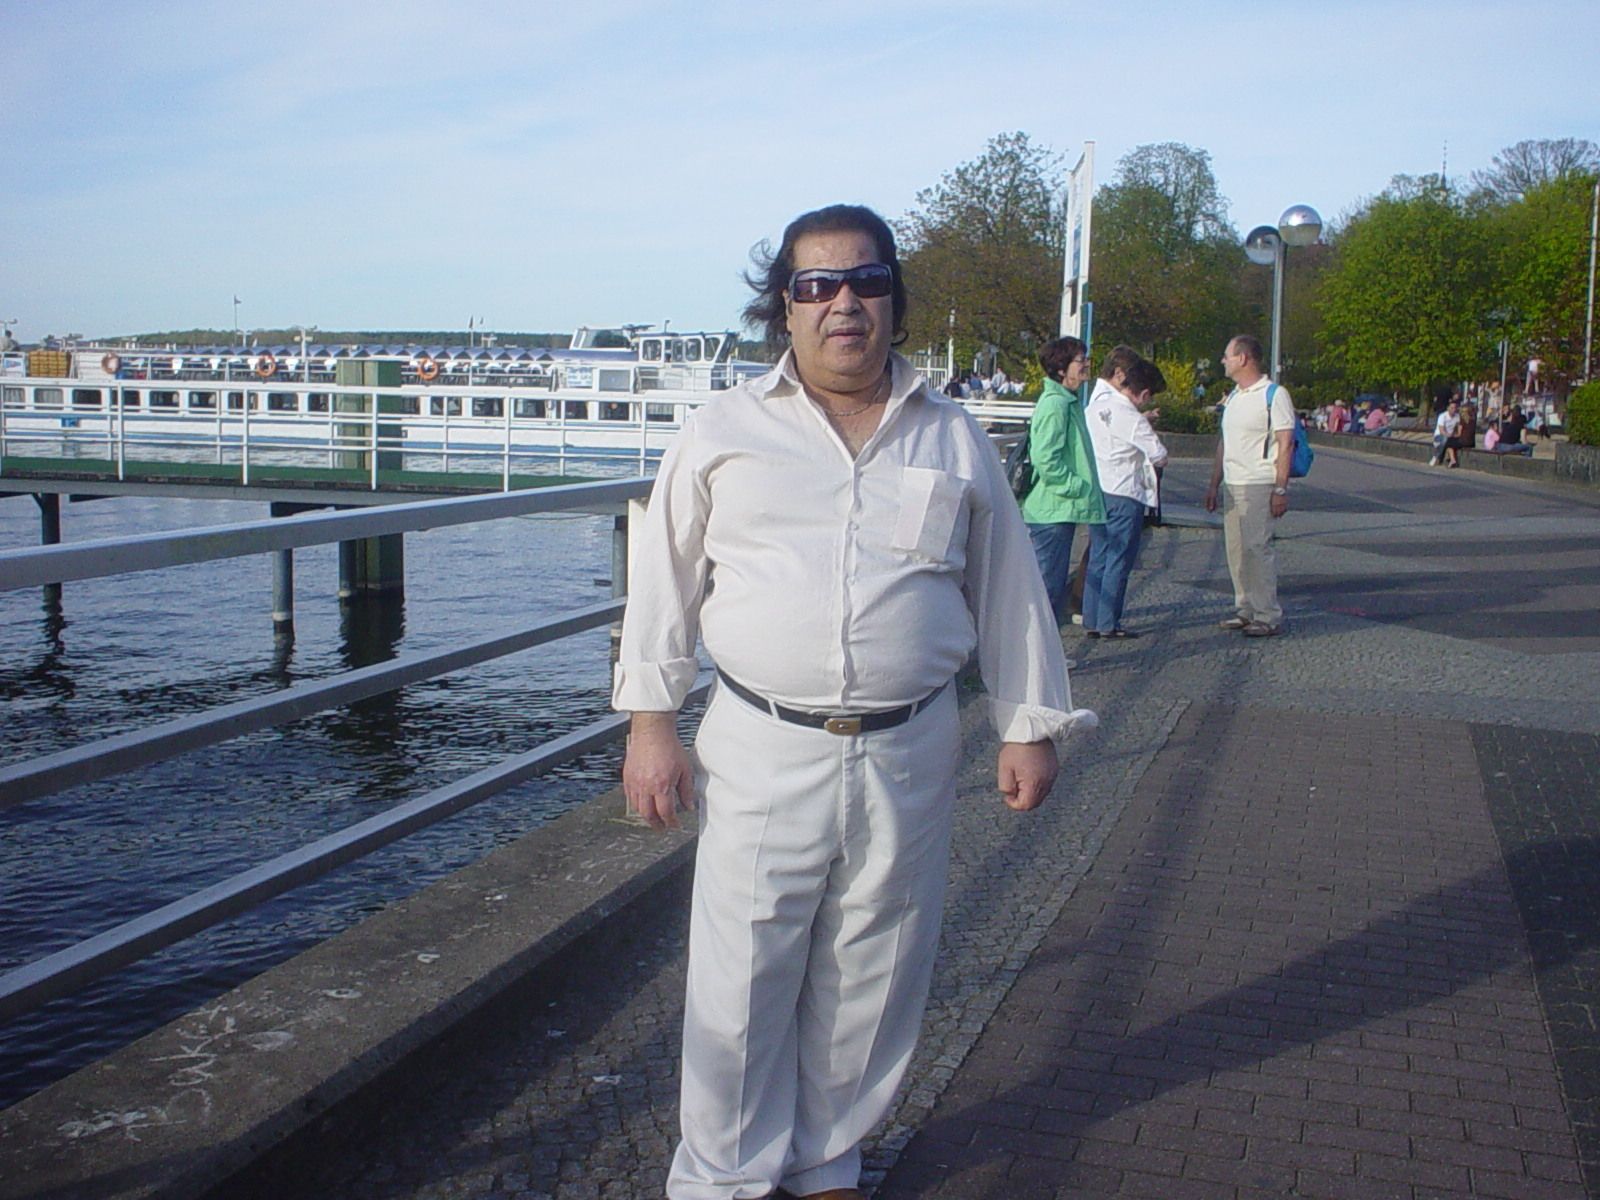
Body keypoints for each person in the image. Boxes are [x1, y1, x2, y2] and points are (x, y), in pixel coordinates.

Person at [614, 203, 1094, 1200]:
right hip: (762, 742)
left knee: (875, 968)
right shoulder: (723, 429)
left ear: (893, 301)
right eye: (817, 284)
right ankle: (723, 1177)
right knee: (742, 976)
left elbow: (1008, 589)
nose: (844, 302)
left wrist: (1028, 723)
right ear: (784, 309)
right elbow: (664, 576)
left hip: (909, 745)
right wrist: (652, 723)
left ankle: (827, 1160)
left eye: (866, 281)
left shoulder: (951, 437)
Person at [1204, 334, 1296, 637]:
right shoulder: (1234, 396)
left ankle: (1267, 613)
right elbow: (1225, 443)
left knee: (1257, 548)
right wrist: (1214, 483)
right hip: (1233, 482)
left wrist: (1280, 489)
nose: (1223, 361)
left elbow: (1285, 443)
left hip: (1258, 482)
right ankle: (1245, 607)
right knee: (1236, 550)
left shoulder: (1274, 395)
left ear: (1243, 358)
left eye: (1227, 356)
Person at [1019, 337, 1106, 623]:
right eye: (1080, 360)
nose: (1087, 365)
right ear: (1061, 368)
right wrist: (1076, 487)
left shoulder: (1066, 402)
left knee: (1051, 588)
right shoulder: (1056, 404)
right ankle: (1036, 649)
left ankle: (1045, 647)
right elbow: (1045, 458)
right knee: (1046, 589)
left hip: (1057, 509)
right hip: (1052, 510)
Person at [1082, 354, 1168, 638]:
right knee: (1119, 559)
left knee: (1098, 556)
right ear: (1144, 393)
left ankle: (1091, 617)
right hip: (1125, 491)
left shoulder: (1095, 407)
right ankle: (1109, 622)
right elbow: (1159, 454)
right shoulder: (1132, 417)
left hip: (1099, 489)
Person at [1431, 397, 1463, 467]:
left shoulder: (1457, 416)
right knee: (1446, 439)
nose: (1453, 410)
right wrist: (1448, 435)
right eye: (1452, 408)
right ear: (1448, 408)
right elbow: (1441, 430)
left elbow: (1459, 426)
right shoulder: (1442, 416)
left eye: (1455, 408)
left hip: (1450, 437)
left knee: (1449, 442)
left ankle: (1452, 460)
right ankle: (1436, 456)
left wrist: (1458, 434)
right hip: (1439, 436)